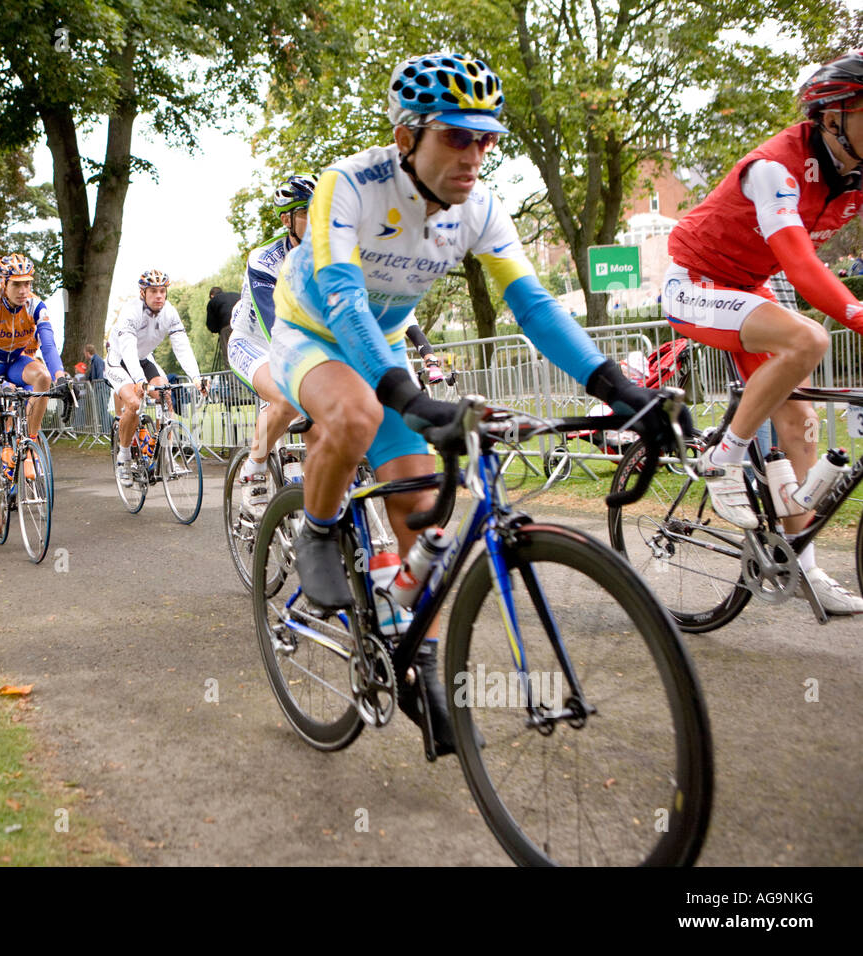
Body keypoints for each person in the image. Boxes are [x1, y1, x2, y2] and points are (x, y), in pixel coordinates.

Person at [269, 52, 673, 756]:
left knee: (421, 504)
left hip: (382, 340)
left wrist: (619, 388)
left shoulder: (480, 207)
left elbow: (533, 306)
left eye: (486, 138)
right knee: (362, 413)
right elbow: (341, 296)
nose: (476, 154)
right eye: (457, 136)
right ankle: (317, 526)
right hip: (312, 332)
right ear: (407, 137)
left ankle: (418, 657)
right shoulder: (350, 185)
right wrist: (408, 397)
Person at [664, 49, 863, 614]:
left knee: (799, 422)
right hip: (694, 279)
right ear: (833, 117)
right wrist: (858, 315)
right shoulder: (776, 165)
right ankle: (724, 456)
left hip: (749, 283)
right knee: (809, 339)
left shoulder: (855, 172)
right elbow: (802, 269)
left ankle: (804, 567)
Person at [226, 174, 317, 517]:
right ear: (287, 219)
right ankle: (255, 467)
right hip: (253, 341)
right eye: (310, 212)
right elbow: (275, 323)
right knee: (286, 392)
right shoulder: (264, 259)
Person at [0, 254, 68, 536]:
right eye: (17, 284)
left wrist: (61, 376)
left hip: (17, 361)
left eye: (27, 283)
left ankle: (28, 444)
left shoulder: (36, 305)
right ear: (4, 283)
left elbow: (48, 344)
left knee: (44, 377)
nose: (24, 290)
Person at [104, 270, 209, 487]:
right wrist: (140, 380)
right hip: (120, 361)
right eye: (153, 291)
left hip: (143, 359)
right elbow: (128, 350)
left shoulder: (169, 312)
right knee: (133, 403)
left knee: (165, 395)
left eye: (162, 291)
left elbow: (182, 347)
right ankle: (123, 458)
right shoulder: (131, 312)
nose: (159, 295)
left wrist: (196, 378)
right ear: (143, 293)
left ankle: (166, 457)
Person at [206, 285, 240, 369]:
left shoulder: (213, 301)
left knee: (229, 356)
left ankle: (233, 381)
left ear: (212, 296)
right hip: (243, 325)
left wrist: (218, 330)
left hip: (227, 327)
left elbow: (211, 324)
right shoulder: (236, 295)